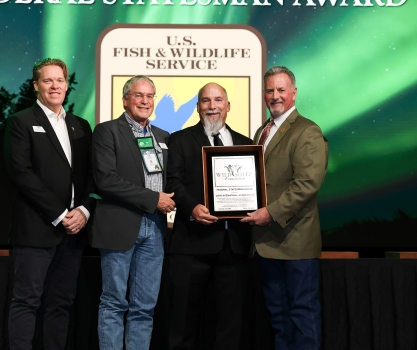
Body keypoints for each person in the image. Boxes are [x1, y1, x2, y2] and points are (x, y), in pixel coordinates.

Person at [3, 58, 96, 349]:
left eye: (60, 80)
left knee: (60, 304)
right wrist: (59, 214)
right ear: (35, 86)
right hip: (36, 229)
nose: (55, 86)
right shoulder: (20, 121)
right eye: (47, 80)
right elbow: (21, 173)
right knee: (26, 302)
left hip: (74, 233)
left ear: (67, 86)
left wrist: (83, 210)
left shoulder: (80, 125)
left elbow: (91, 175)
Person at [241, 66, 328, 350]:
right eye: (270, 90)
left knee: (302, 314)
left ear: (294, 93)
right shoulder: (261, 131)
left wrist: (270, 213)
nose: (275, 96)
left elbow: (307, 184)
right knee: (278, 317)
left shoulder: (307, 131)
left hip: (295, 241)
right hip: (267, 242)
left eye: (281, 90)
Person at [166, 82, 252, 350]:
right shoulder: (180, 139)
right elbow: (173, 181)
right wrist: (191, 207)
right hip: (191, 244)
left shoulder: (246, 144)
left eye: (217, 100)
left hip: (233, 246)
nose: (212, 106)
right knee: (182, 323)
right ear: (198, 107)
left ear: (228, 106)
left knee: (229, 325)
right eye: (205, 101)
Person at [91, 75, 175, 350]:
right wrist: (153, 199)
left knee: (145, 307)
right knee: (114, 302)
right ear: (125, 99)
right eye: (138, 95)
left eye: (150, 96)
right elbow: (106, 180)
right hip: (120, 226)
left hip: (156, 230)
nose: (145, 101)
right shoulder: (107, 131)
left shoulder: (162, 137)